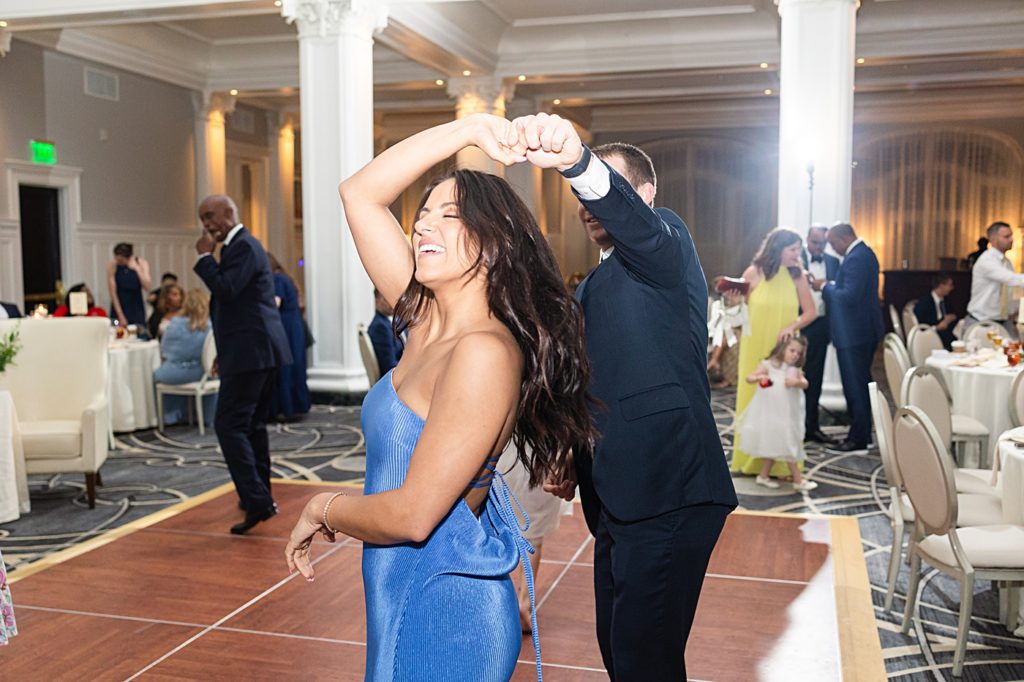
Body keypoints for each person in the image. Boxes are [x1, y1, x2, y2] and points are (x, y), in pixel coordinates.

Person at [283, 113, 595, 680]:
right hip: (398, 587)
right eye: (421, 216)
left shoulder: (484, 351)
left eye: (448, 216)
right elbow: (359, 193)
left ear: (495, 242)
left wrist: (321, 506)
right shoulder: (425, 319)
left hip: (447, 606)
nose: (422, 227)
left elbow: (415, 515)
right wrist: (469, 129)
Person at [511, 112, 737, 680]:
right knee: (621, 649)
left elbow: (627, 216)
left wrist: (576, 163)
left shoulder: (665, 240)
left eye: (605, 190)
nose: (588, 205)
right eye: (583, 195)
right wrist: (569, 453)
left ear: (645, 194)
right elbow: (596, 381)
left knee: (644, 660)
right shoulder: (594, 283)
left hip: (669, 487)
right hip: (618, 491)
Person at [194, 194, 292, 535]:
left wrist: (205, 258)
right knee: (250, 426)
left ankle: (256, 500)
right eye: (202, 218)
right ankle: (258, 495)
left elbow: (227, 289)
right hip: (253, 349)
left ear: (230, 213)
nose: (206, 224)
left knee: (228, 425)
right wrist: (225, 352)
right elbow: (239, 307)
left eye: (211, 216)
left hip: (253, 351)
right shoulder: (243, 247)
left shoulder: (244, 247)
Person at [732, 228, 817, 477]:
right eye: (793, 249)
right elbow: (740, 310)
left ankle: (781, 464)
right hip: (754, 345)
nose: (797, 254)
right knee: (753, 398)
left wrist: (792, 326)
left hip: (783, 348)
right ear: (777, 248)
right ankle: (751, 460)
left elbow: (811, 312)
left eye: (798, 250)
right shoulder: (753, 273)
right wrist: (734, 300)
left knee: (782, 403)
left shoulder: (797, 276)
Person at [812, 223, 885, 452]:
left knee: (855, 386)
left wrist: (825, 287)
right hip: (861, 330)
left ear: (844, 238)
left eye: (833, 244)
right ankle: (862, 432)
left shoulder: (856, 257)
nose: (833, 249)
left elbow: (849, 296)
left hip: (855, 333)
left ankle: (858, 438)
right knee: (860, 384)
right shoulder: (863, 253)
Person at [496, 441, 565, 633]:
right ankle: (524, 602)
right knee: (533, 533)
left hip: (506, 452)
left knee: (495, 526)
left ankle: (497, 598)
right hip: (544, 454)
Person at [738, 336, 817, 491]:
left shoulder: (794, 370)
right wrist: (759, 377)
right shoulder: (769, 366)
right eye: (792, 350)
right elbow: (749, 377)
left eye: (798, 353)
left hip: (788, 416)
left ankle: (763, 476)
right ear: (783, 349)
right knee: (783, 444)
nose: (795, 355)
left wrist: (798, 382)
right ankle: (798, 480)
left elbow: (805, 383)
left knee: (783, 443)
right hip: (772, 414)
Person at [153, 288, 216, 426]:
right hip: (202, 373)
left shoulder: (174, 324)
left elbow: (164, 350)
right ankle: (205, 417)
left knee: (155, 374)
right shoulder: (210, 327)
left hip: (173, 373)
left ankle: (171, 417)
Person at [801, 224, 841, 444]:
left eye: (823, 243)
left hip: (820, 326)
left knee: (814, 379)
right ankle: (792, 428)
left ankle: (811, 427)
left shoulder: (833, 262)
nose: (818, 247)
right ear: (807, 239)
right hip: (796, 325)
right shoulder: (794, 258)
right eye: (815, 242)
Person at [268, 253, 310, 420]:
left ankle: (287, 408)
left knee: (286, 366)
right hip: (293, 325)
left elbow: (274, 304)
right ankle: (295, 406)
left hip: (286, 327)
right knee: (294, 366)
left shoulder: (277, 280)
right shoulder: (284, 277)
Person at [966, 221, 1024, 338]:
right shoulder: (987, 260)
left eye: (1011, 235)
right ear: (993, 239)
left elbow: (1010, 291)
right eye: (1006, 236)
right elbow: (1010, 279)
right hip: (982, 322)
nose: (1011, 239)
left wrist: (1014, 312)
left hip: (1003, 322)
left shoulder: (1007, 262)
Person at [706, 278, 749, 389]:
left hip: (741, 331)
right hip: (725, 330)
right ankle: (714, 362)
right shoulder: (717, 303)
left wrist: (736, 304)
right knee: (724, 334)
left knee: (730, 338)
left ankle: (714, 362)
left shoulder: (743, 302)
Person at [106, 242, 150, 329]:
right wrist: (120, 315)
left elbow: (147, 286)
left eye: (121, 260)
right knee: (117, 329)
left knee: (138, 330)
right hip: (119, 305)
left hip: (136, 305)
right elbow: (112, 292)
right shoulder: (112, 265)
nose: (119, 262)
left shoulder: (141, 263)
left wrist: (137, 269)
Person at [914, 273, 957, 349]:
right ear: (941, 285)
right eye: (950, 285)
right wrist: (937, 327)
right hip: (931, 336)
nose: (952, 288)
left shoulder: (946, 300)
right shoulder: (924, 303)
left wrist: (951, 318)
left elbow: (953, 313)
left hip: (947, 332)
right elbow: (920, 326)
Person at [367, 288, 403, 376]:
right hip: (395, 380)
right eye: (386, 298)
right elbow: (389, 366)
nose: (391, 302)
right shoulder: (380, 327)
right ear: (377, 301)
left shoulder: (399, 320)